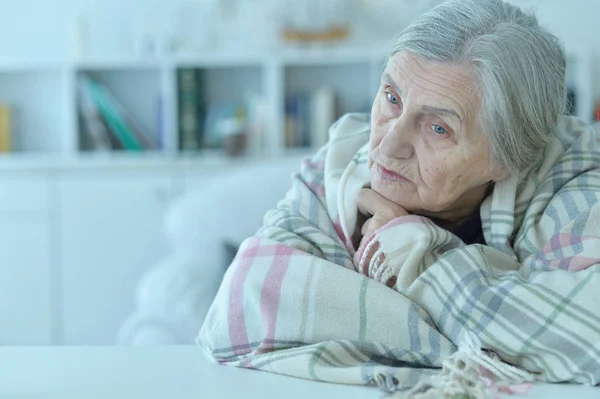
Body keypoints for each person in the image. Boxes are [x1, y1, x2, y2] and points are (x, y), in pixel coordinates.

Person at [199, 0, 600, 397]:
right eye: (392, 98)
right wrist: (497, 338)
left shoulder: (576, 174)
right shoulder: (340, 163)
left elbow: (589, 339)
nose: (389, 146)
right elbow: (239, 316)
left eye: (438, 128)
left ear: (508, 157)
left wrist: (411, 250)